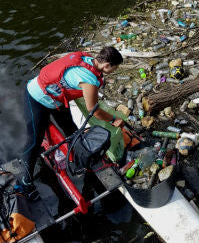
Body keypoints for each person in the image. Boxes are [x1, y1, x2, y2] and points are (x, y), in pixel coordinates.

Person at [21, 46, 124, 200]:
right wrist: (114, 119)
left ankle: (80, 158)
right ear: (107, 65)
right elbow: (93, 110)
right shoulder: (89, 80)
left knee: (71, 129)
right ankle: (25, 183)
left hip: (56, 98)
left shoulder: (87, 58)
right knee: (33, 142)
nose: (112, 72)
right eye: (114, 69)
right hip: (36, 98)